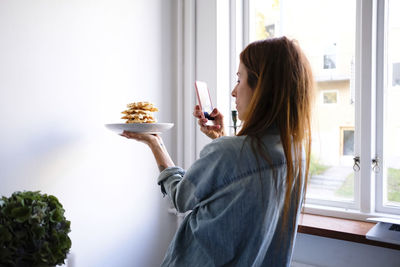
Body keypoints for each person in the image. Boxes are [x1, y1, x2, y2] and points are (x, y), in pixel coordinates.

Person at [121, 36, 314, 267]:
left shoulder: (229, 153)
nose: (234, 92)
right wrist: (221, 138)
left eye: (239, 79)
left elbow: (181, 198)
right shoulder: (295, 151)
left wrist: (156, 143)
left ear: (261, 88)